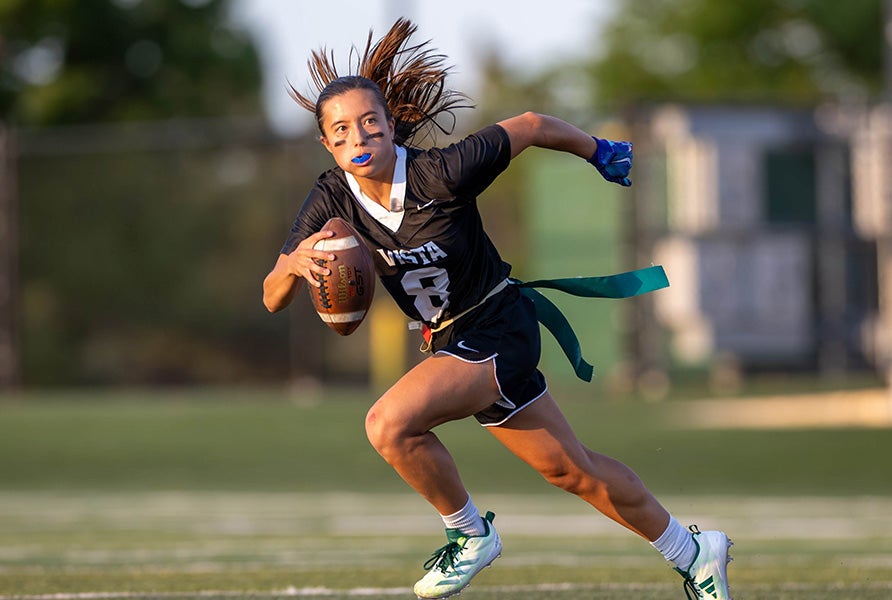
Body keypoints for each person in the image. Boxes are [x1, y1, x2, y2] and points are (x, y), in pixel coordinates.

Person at [262, 18, 732, 600]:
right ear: (327, 144)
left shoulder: (442, 172)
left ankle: (470, 534)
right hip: (448, 340)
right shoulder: (331, 196)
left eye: (369, 122)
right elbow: (272, 293)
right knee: (572, 470)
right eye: (342, 131)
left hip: (497, 325)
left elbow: (530, 125)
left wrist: (597, 150)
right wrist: (295, 262)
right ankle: (695, 554)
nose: (359, 138)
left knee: (388, 424)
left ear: (389, 125)